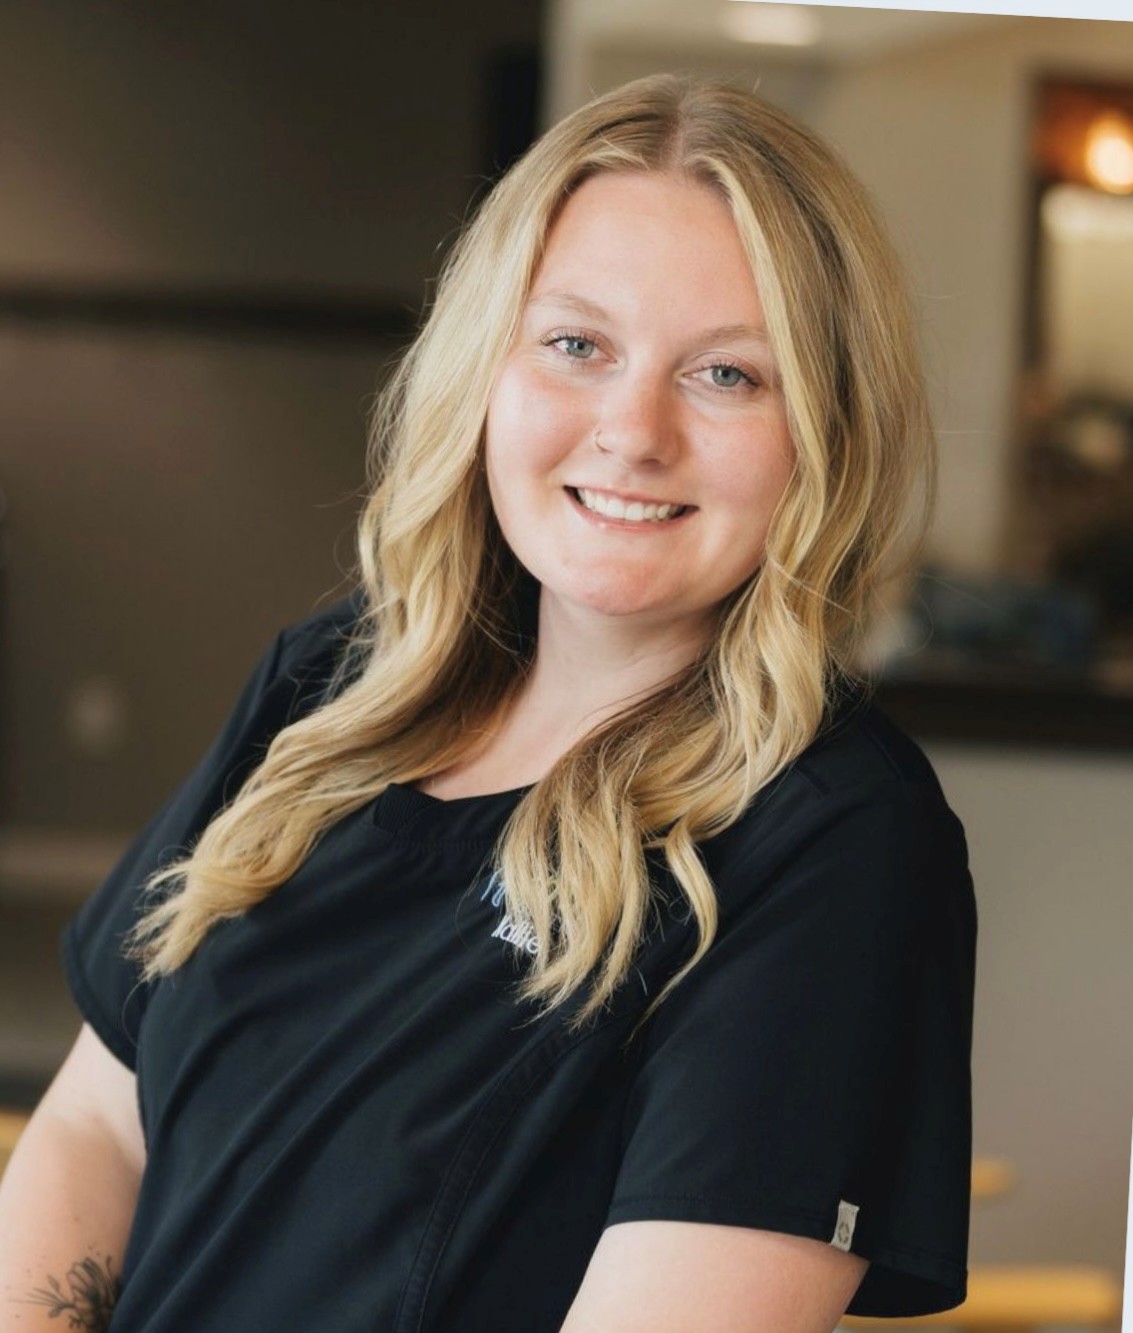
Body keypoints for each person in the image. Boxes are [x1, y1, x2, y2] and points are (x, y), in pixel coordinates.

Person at [0, 72, 976, 1332]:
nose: (631, 431)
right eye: (575, 345)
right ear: (485, 368)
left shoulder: (832, 840)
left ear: (829, 430)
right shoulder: (330, 684)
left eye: (728, 375)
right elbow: (96, 1125)